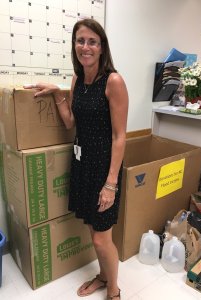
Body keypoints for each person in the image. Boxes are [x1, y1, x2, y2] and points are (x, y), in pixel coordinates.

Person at [24, 18, 128, 300]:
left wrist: (111, 184)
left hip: (105, 170)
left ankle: (114, 291)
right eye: (80, 41)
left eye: (92, 41)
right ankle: (104, 276)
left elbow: (120, 137)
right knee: (94, 230)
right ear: (75, 45)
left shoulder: (113, 81)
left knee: (100, 236)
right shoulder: (77, 79)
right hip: (82, 165)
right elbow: (71, 121)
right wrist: (58, 94)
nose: (86, 47)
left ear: (102, 46)